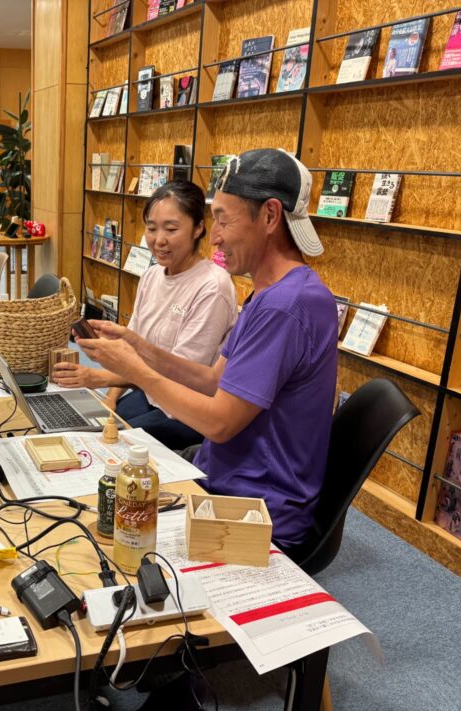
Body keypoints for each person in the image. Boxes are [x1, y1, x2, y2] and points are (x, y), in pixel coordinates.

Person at [75, 149, 338, 550]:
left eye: (223, 221)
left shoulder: (287, 306)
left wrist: (138, 371)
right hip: (225, 478)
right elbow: (213, 380)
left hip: (255, 512)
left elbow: (218, 423)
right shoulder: (270, 294)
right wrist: (137, 346)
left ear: (269, 216)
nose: (214, 237)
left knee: (108, 539)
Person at [54, 181, 237, 449]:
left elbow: (182, 376)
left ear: (198, 228)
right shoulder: (152, 275)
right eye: (151, 228)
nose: (158, 240)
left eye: (171, 229)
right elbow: (132, 348)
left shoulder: (212, 286)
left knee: (101, 445)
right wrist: (111, 397)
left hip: (184, 412)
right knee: (81, 426)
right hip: (147, 393)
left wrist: (100, 377)